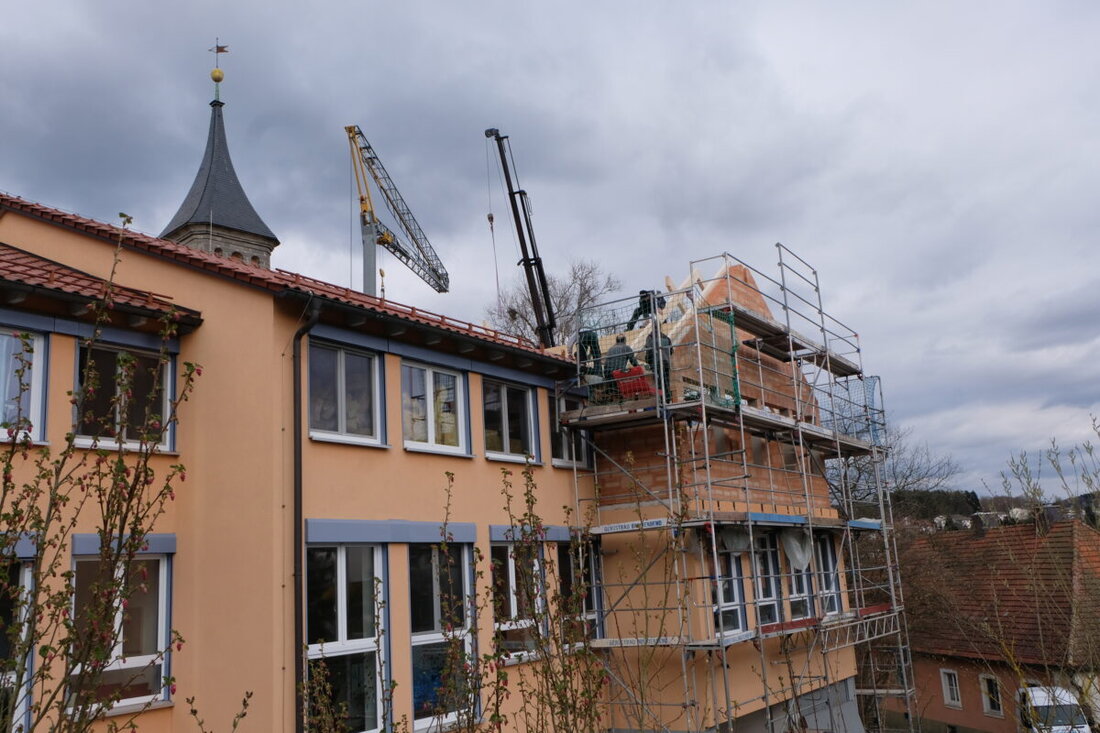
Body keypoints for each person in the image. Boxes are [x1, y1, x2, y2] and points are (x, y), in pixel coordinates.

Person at [644, 326, 672, 397]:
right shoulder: (666, 337)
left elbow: (649, 351)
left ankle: (661, 399)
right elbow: (671, 351)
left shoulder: (650, 337)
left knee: (658, 381)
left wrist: (647, 360)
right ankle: (667, 397)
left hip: (656, 363)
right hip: (665, 362)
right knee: (666, 380)